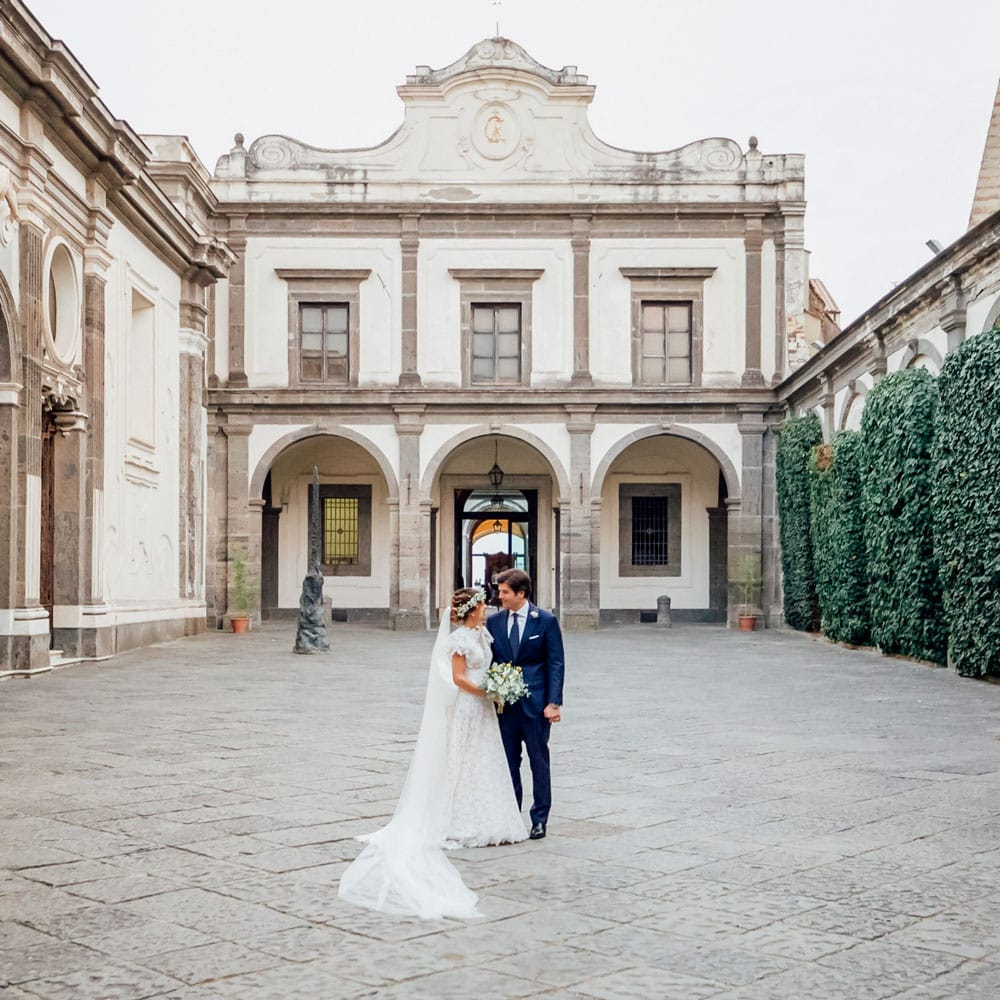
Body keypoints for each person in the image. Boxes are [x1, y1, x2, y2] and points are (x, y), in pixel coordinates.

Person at [337, 587, 525, 920]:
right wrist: (487, 691)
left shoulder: (484, 635)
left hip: (484, 709)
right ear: (471, 609)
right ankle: (456, 817)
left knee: (484, 760)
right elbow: (457, 677)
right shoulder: (459, 641)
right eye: (482, 604)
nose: (487, 608)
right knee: (462, 759)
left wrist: (497, 687)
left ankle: (492, 817)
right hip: (469, 705)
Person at [487, 568, 565, 840]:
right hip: (505, 707)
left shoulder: (544, 621)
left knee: (538, 761)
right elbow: (489, 660)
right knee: (508, 763)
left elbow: (555, 662)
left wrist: (554, 702)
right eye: (500, 591)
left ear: (521, 593)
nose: (500, 596)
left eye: (505, 592)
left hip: (536, 704)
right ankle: (511, 815)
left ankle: (540, 818)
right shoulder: (494, 622)